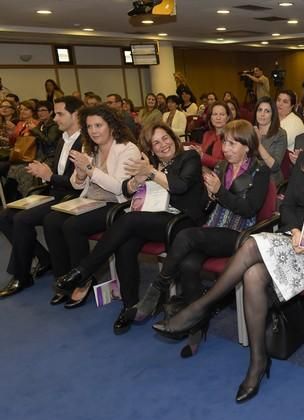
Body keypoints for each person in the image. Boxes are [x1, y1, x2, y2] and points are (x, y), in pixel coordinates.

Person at [152, 110, 304, 404]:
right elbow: (290, 206)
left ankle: (201, 307)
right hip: (293, 240)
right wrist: (296, 230)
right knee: (252, 273)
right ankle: (257, 361)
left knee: (252, 248)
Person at [134, 119, 270, 356]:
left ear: (247, 146)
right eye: (224, 143)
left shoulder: (259, 170)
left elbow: (249, 209)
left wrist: (220, 192)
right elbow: (209, 207)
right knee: (188, 264)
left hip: (240, 234)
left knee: (186, 235)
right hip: (215, 227)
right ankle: (196, 327)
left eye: (232, 144)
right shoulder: (220, 168)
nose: (226, 149)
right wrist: (208, 196)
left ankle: (158, 288)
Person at [55, 122, 205, 334]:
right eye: (156, 143)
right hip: (155, 217)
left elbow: (180, 187)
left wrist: (151, 172)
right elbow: (126, 190)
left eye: (165, 138)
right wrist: (137, 180)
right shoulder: (149, 163)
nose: (163, 145)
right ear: (151, 149)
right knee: (125, 243)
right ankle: (130, 305)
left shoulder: (189, 157)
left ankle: (84, 270)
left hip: (182, 222)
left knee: (128, 221)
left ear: (174, 138)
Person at [43, 104, 139, 306]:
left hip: (116, 205)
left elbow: (119, 188)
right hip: (89, 201)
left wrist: (89, 169)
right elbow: (76, 185)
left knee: (72, 226)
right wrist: (79, 173)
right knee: (51, 221)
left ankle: (82, 281)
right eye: (89, 126)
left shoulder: (127, 149)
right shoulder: (89, 148)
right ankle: (63, 279)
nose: (94, 131)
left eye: (98, 125)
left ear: (111, 126)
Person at [0, 96, 84, 298]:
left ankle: (22, 275)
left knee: (21, 219)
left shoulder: (85, 141)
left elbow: (80, 185)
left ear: (76, 115)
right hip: (55, 193)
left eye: (60, 114)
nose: (55, 118)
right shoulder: (63, 139)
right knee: (5, 215)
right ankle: (44, 258)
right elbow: (60, 174)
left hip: (71, 198)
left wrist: (50, 176)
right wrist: (47, 173)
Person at [252, 96, 287, 184]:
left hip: (270, 180)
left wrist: (259, 144)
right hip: (251, 177)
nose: (262, 114)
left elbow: (274, 167)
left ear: (273, 114)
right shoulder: (251, 130)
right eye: (259, 110)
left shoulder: (280, 134)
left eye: (267, 111)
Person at [192, 101, 231, 169]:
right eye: (215, 114)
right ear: (210, 117)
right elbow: (204, 152)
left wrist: (203, 157)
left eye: (222, 114)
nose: (218, 118)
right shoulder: (207, 134)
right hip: (204, 172)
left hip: (222, 176)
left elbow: (227, 165)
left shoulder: (232, 137)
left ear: (227, 117)